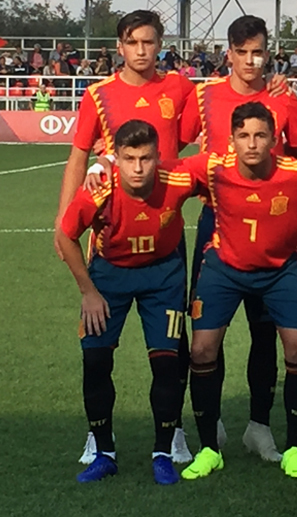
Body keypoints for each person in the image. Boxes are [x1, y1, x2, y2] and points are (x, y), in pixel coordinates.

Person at [178, 102, 297, 480]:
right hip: (224, 269)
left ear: (274, 140)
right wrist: (103, 169)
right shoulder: (213, 168)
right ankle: (209, 450)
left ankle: (294, 449)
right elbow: (162, 175)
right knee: (201, 349)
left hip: (280, 272)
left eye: (260, 135)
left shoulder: (296, 173)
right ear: (232, 140)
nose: (252, 144)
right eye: (244, 135)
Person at [55, 11, 197, 465]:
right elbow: (80, 156)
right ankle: (98, 439)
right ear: (120, 46)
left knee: (174, 347)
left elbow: (211, 130)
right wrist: (66, 216)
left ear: (160, 45)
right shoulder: (99, 95)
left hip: (164, 227)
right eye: (133, 42)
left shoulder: (179, 88)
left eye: (149, 42)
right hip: (112, 232)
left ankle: (172, 435)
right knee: (98, 351)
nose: (141, 50)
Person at [178, 14, 297, 465]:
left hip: (271, 231)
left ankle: (259, 426)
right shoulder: (205, 95)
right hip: (218, 226)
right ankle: (209, 424)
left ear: (267, 52)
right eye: (243, 52)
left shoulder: (283, 98)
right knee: (206, 334)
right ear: (228, 54)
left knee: (266, 332)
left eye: (259, 52)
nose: (252, 62)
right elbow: (173, 144)